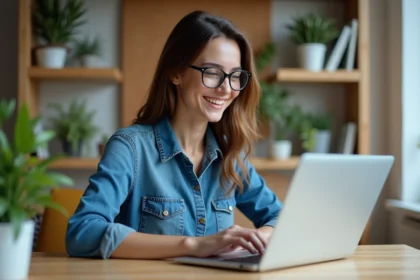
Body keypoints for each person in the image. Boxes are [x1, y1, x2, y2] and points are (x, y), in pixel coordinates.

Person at [65, 10, 282, 260]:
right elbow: (82, 232)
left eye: (235, 76)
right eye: (212, 72)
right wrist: (194, 245)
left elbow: (281, 219)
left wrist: (253, 240)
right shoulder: (130, 148)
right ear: (176, 72)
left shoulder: (232, 155)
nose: (226, 89)